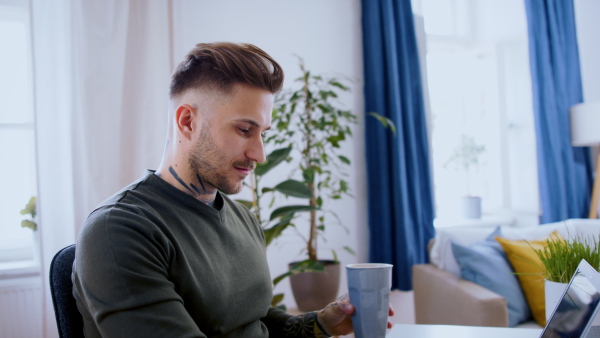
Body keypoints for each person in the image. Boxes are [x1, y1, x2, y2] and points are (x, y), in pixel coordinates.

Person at [72, 42, 393, 337]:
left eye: (262, 133)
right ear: (187, 122)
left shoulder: (242, 218)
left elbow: (254, 322)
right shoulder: (119, 230)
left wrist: (321, 324)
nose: (260, 154)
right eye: (244, 130)